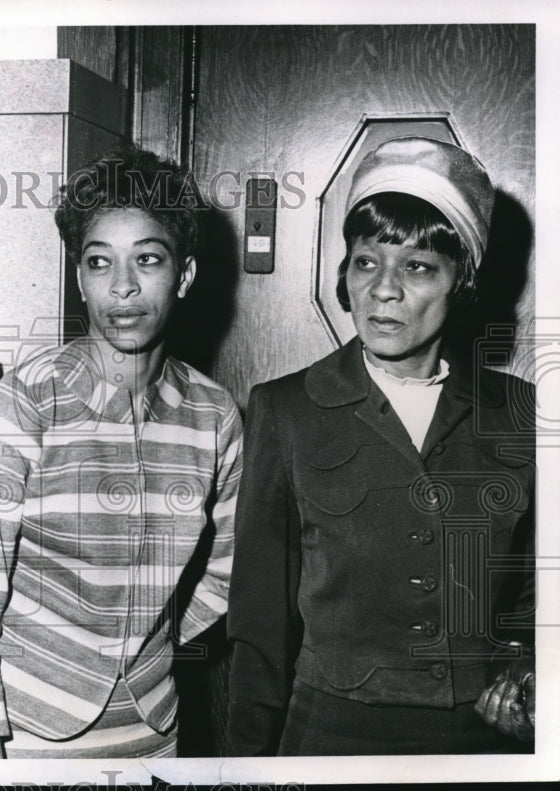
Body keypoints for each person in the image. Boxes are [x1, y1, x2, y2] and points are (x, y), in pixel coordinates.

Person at [226, 137, 535, 756]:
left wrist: (528, 673)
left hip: (482, 742)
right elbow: (259, 630)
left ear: (462, 280)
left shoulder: (521, 415)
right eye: (367, 261)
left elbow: (537, 592)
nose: (384, 290)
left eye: (418, 266)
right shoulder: (285, 409)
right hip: (331, 735)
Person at [0, 143, 243, 758]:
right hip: (27, 736)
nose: (123, 288)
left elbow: (228, 569)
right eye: (100, 263)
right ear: (79, 278)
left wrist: (145, 639)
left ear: (182, 275)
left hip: (155, 732)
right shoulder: (25, 400)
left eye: (147, 260)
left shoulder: (215, 416)